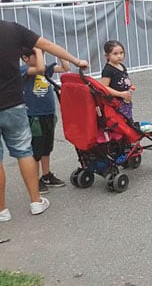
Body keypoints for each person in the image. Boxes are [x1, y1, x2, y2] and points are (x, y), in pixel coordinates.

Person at [1, 20, 89, 222]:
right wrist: (76, 61)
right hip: (13, 102)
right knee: (24, 151)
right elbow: (47, 45)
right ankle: (35, 201)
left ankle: (2, 210)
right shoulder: (12, 28)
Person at [20, 47, 70, 194]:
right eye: (37, 55)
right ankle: (34, 179)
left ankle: (46, 175)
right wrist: (38, 48)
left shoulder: (46, 69)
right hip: (34, 116)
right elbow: (39, 68)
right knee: (36, 150)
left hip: (48, 114)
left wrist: (57, 52)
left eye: (43, 55)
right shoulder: (24, 70)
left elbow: (66, 67)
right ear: (25, 58)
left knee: (46, 148)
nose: (41, 57)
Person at [100, 41, 134, 121]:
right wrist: (120, 94)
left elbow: (123, 78)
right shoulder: (108, 70)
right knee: (121, 121)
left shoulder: (121, 66)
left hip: (126, 99)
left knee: (128, 120)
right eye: (115, 54)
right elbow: (104, 87)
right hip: (116, 102)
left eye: (121, 53)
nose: (119, 56)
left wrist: (129, 86)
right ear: (107, 56)